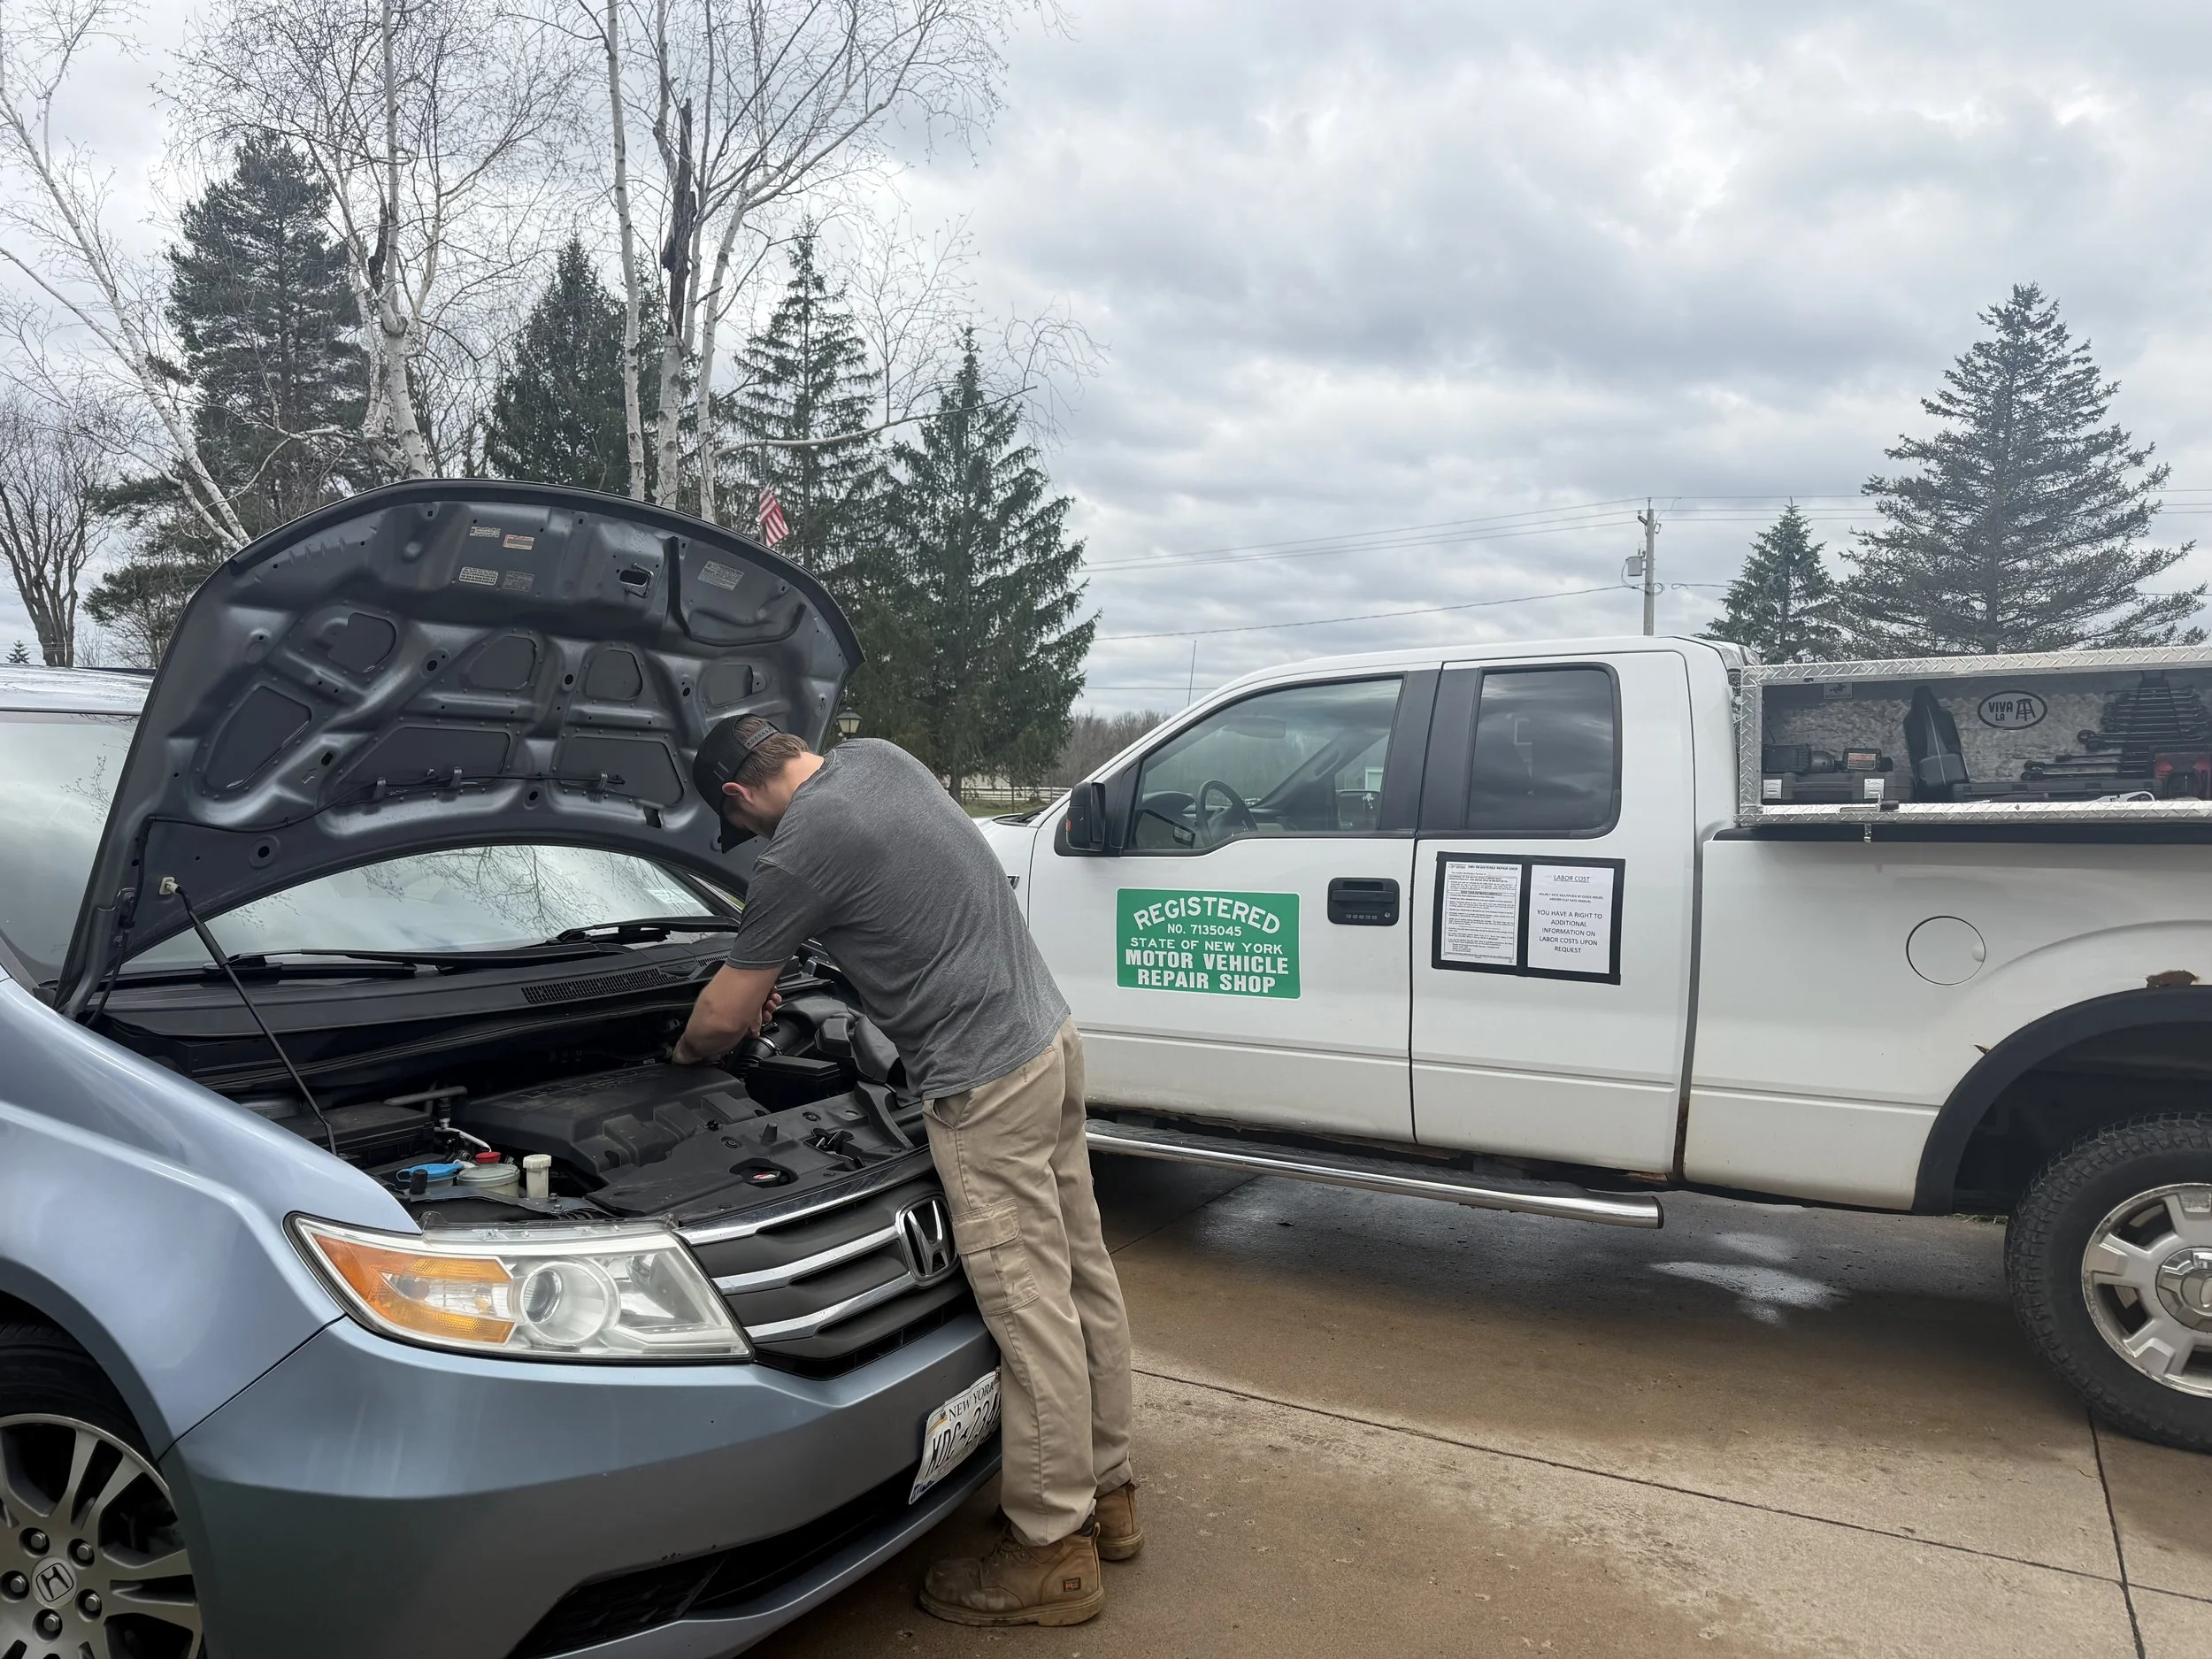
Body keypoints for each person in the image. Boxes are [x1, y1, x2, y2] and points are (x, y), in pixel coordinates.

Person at [670, 714, 1140, 1628]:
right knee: (1083, 1280)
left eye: (743, 827)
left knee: (1027, 1309)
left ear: (737, 796)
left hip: (982, 1082)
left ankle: (1050, 1550)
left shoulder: (799, 848)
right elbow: (893, 894)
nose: (753, 841)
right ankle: (1110, 1494)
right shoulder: (881, 759)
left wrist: (683, 1060)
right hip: (1046, 1038)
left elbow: (720, 1023)